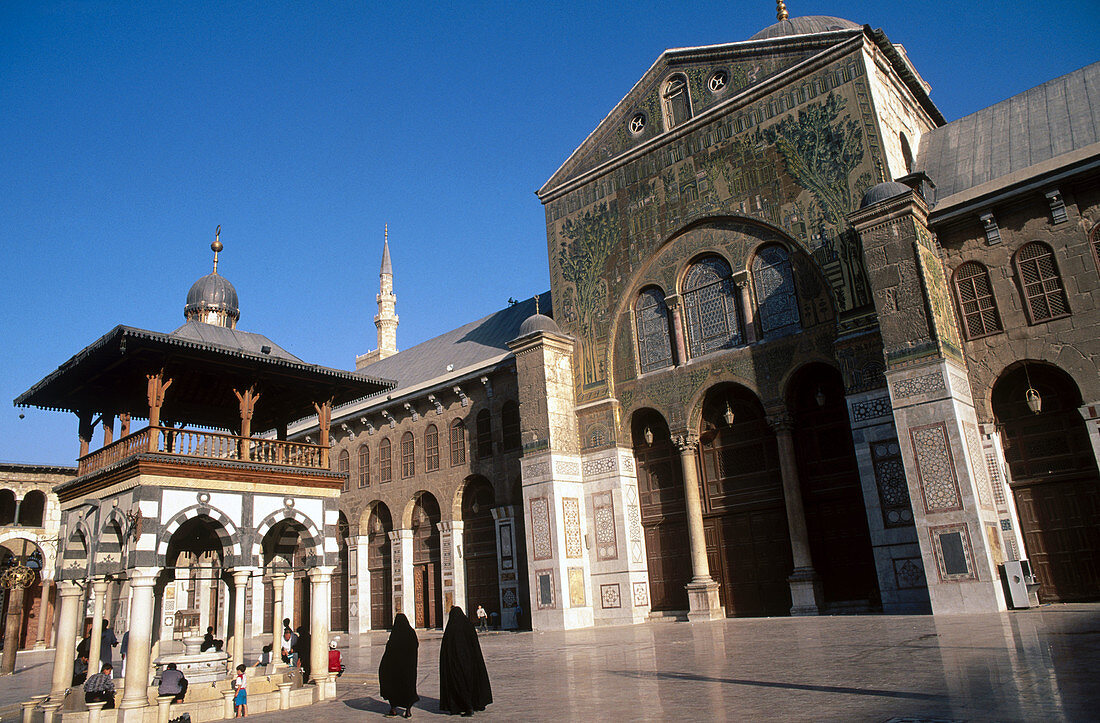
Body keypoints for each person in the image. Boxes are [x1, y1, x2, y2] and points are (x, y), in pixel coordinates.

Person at [438, 607, 492, 717]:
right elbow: (475, 645)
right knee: (471, 682)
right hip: (471, 662)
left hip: (456, 663)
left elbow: (446, 649)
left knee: (460, 683)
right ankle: (476, 703)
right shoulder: (468, 625)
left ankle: (466, 706)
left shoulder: (451, 628)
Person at [379, 613, 418, 719]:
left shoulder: (395, 634)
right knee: (408, 688)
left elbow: (389, 650)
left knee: (394, 688)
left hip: (395, 670)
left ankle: (393, 709)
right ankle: (408, 711)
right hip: (408, 669)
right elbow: (415, 646)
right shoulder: (411, 633)